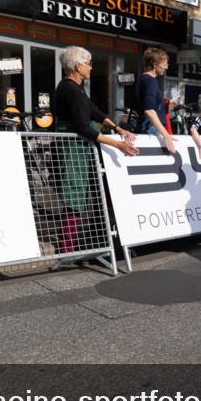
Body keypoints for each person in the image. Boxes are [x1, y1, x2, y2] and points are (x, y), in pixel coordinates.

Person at [54, 46, 138, 253]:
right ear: (77, 66)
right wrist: (118, 144)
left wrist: (117, 128)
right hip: (74, 149)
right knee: (74, 194)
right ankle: (68, 248)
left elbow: (95, 112)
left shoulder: (76, 88)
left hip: (81, 147)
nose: (91, 67)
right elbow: (83, 126)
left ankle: (94, 238)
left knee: (93, 189)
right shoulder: (70, 89)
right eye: (89, 63)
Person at [136, 47, 176, 153]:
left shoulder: (141, 79)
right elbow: (149, 110)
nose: (166, 67)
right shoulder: (151, 81)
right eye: (164, 64)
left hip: (144, 127)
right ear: (155, 64)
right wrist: (166, 135)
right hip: (151, 129)